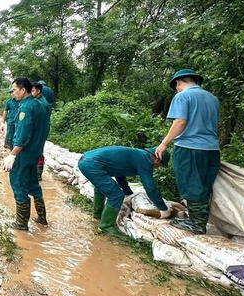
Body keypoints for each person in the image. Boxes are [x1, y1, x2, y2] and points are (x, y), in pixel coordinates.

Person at [155, 69, 220, 234]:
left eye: (176, 86)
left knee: (191, 185)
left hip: (190, 147)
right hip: (212, 149)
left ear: (178, 83)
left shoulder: (183, 96)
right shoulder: (213, 99)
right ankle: (198, 220)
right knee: (204, 186)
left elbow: (180, 122)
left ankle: (196, 225)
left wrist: (163, 144)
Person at [78, 146, 171, 236]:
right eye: (160, 165)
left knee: (102, 188)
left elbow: (119, 174)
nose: (158, 167)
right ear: (157, 160)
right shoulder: (145, 161)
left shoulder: (139, 155)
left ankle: (98, 215)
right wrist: (163, 208)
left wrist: (128, 193)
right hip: (92, 164)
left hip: (87, 160)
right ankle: (106, 226)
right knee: (116, 196)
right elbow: (150, 187)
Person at [3, 77, 50, 230]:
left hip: (24, 154)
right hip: (35, 153)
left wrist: (13, 154)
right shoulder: (41, 105)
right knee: (34, 185)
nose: (13, 94)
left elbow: (23, 135)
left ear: (23, 90)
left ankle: (21, 224)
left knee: (18, 185)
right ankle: (42, 218)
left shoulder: (25, 108)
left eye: (15, 90)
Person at [32, 83, 52, 180]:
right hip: (41, 129)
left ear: (38, 91)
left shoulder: (41, 103)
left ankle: (38, 174)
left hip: (40, 130)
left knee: (38, 151)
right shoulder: (40, 101)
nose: (31, 93)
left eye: (32, 91)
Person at [1, 86, 19, 154]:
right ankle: (10, 152)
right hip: (11, 122)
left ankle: (16, 152)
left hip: (19, 123)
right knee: (10, 137)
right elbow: (5, 112)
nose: (12, 94)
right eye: (11, 93)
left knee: (18, 137)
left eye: (13, 92)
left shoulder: (21, 100)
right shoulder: (9, 102)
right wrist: (2, 122)